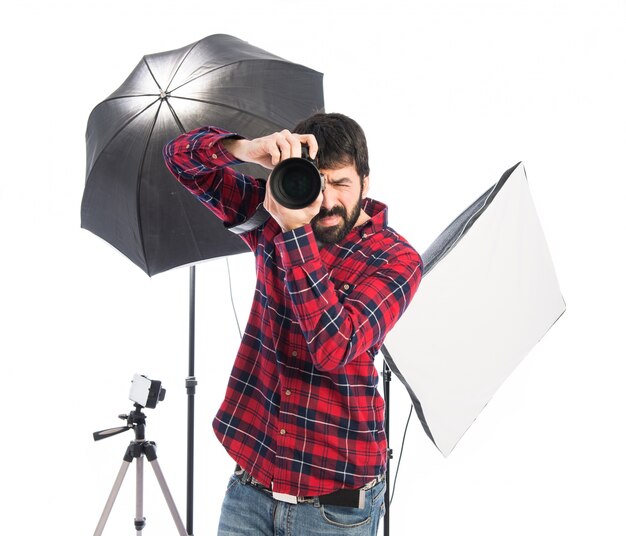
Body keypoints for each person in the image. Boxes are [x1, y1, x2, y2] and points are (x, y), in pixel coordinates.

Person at [163, 113, 422, 535]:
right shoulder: (274, 208)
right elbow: (178, 159)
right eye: (316, 183)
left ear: (366, 182)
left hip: (334, 510)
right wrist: (244, 149)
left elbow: (333, 346)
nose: (327, 201)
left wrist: (294, 234)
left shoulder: (396, 260)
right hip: (251, 486)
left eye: (341, 183)